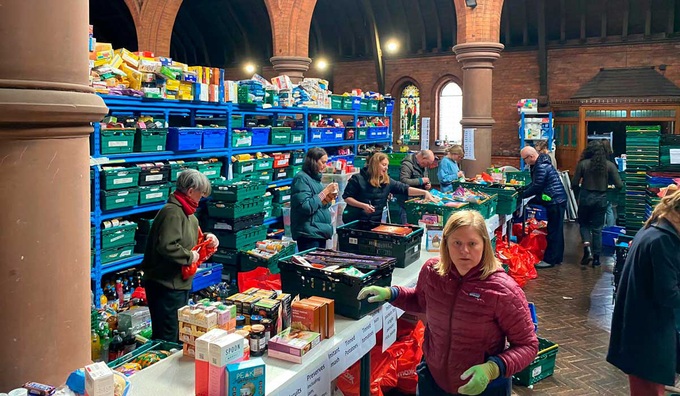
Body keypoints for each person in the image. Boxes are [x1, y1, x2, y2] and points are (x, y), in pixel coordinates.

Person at [358, 210, 538, 396]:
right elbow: (421, 301)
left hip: (483, 387)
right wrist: (391, 293)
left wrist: (492, 369)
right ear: (446, 243)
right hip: (433, 381)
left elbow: (528, 346)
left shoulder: (502, 290)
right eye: (457, 243)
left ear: (485, 244)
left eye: (472, 243)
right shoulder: (433, 272)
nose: (464, 251)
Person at [607, 188, 680, 396]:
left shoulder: (657, 228)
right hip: (648, 333)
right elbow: (668, 294)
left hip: (642, 329)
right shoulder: (663, 240)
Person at [142, 169, 218, 342]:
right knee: (167, 335)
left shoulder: (188, 213)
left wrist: (207, 238)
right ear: (191, 191)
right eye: (201, 193)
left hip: (178, 283)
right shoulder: (172, 212)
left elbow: (190, 239)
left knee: (177, 331)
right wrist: (189, 257)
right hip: (165, 285)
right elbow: (167, 245)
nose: (203, 197)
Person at [343, 152, 437, 224]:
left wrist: (425, 193)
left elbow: (404, 188)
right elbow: (347, 198)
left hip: (374, 222)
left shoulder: (387, 181)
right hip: (354, 221)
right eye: (384, 165)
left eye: (387, 165)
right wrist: (363, 205)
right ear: (375, 165)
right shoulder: (357, 179)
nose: (386, 168)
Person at [571, 141, 623, 267]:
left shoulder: (583, 164)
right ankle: (596, 258)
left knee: (584, 224)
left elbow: (574, 183)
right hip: (601, 199)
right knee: (597, 229)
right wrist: (610, 193)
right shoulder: (609, 166)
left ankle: (587, 249)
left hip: (585, 197)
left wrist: (579, 193)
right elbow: (620, 185)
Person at [520, 146, 568, 268]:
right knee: (557, 230)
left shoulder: (540, 166)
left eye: (524, 159)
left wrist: (522, 195)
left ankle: (550, 260)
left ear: (531, 157)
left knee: (553, 231)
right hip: (557, 199)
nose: (524, 162)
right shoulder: (541, 163)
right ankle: (557, 258)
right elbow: (535, 183)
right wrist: (523, 189)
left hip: (554, 200)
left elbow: (537, 186)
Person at [290, 147, 338, 251]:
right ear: (313, 162)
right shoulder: (301, 178)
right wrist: (325, 192)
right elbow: (305, 206)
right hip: (308, 234)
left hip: (319, 231)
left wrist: (330, 196)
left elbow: (320, 204)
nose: (325, 165)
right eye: (323, 162)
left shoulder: (315, 179)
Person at [399, 150, 436, 223]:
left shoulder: (423, 165)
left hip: (419, 201)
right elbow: (403, 181)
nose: (428, 166)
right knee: (408, 226)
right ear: (423, 158)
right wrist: (420, 181)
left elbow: (425, 178)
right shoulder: (407, 164)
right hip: (407, 203)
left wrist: (428, 185)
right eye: (428, 163)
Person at [601, 139, 617, 227]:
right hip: (610, 185)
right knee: (609, 208)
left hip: (601, 185)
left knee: (602, 210)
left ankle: (602, 228)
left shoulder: (599, 158)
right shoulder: (611, 156)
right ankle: (610, 228)